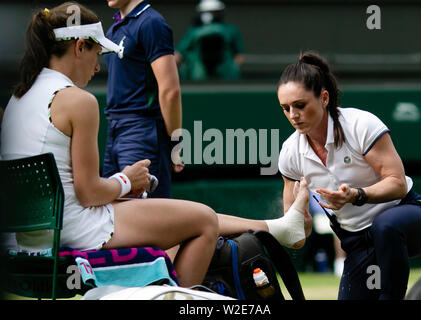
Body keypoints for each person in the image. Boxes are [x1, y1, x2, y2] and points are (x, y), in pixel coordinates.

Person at [0, 2, 311, 288]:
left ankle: (275, 227)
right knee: (202, 220)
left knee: (175, 212)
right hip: (75, 230)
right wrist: (126, 180)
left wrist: (120, 188)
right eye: (97, 55)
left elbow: (76, 192)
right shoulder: (79, 102)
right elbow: (89, 192)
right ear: (80, 47)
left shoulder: (17, 99)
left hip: (30, 238)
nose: (97, 68)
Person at [276, 51, 421, 300]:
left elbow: (396, 184)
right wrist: (299, 219)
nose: (293, 115)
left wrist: (356, 195)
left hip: (410, 219)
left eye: (300, 105)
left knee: (386, 226)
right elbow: (297, 228)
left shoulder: (360, 124)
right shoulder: (289, 152)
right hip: (357, 244)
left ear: (323, 98)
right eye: (285, 108)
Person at [102, 0, 183, 199]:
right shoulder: (113, 29)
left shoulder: (152, 23)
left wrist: (176, 143)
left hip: (142, 131)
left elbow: (170, 90)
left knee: (149, 218)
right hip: (114, 131)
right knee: (112, 214)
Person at [175, 0, 245, 80]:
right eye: (207, 12)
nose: (210, 15)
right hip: (197, 77)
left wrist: (234, 67)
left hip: (225, 76)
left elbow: (239, 56)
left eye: (214, 12)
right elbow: (178, 54)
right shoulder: (192, 31)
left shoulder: (231, 30)